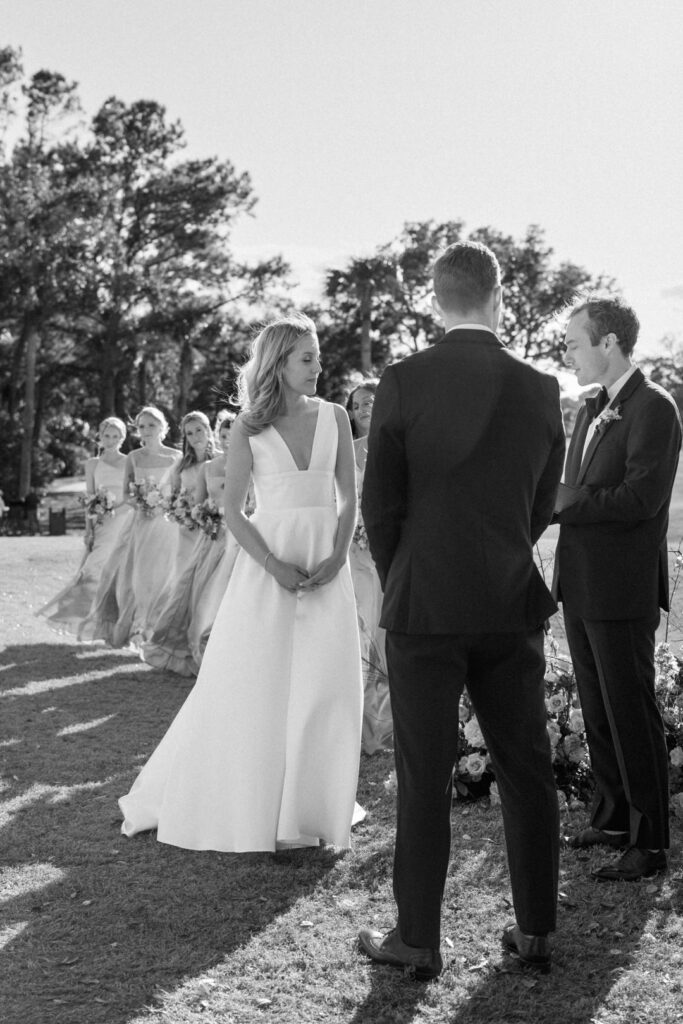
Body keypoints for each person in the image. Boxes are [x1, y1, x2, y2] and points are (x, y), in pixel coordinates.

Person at [358, 241, 565, 979]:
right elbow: (543, 499)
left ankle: (417, 939)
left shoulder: (403, 378)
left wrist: (403, 574)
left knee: (423, 773)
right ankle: (536, 930)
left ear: (435, 298)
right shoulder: (541, 386)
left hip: (423, 604)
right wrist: (504, 547)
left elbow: (379, 503)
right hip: (509, 601)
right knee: (526, 767)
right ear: (498, 297)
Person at [119, 314, 364, 852]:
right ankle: (253, 799)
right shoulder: (250, 427)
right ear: (278, 362)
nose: (318, 367)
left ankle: (314, 805)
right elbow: (234, 511)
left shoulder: (336, 417)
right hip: (268, 565)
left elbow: (348, 498)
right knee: (259, 680)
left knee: (327, 682)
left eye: (318, 356)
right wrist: (275, 566)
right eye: (307, 357)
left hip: (328, 561)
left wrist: (339, 552)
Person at [553, 296, 682, 881]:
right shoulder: (592, 408)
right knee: (598, 708)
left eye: (576, 342)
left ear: (608, 343)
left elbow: (641, 499)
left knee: (631, 711)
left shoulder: (653, 408)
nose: (568, 353)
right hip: (580, 583)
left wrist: (567, 502)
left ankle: (650, 842)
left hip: (622, 586)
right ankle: (610, 817)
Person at [84, 406, 179, 646]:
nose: (146, 431)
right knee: (137, 575)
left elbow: (180, 492)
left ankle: (157, 626)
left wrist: (164, 504)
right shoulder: (134, 457)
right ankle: (137, 625)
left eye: (151, 425)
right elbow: (127, 492)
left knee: (164, 574)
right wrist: (142, 501)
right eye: (142, 426)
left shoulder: (175, 457)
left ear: (162, 428)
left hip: (167, 525)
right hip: (141, 522)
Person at [38, 417, 131, 637]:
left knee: (118, 569)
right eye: (107, 436)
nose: (111, 440)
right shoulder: (92, 464)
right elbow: (89, 497)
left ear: (122, 438)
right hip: (100, 524)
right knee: (92, 568)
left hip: (123, 520)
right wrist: (88, 530)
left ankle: (115, 620)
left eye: (115, 436)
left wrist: (114, 511)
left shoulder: (130, 461)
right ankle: (83, 616)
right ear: (100, 436)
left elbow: (131, 496)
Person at [141, 410, 218, 675]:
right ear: (184, 437)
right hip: (186, 533)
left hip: (212, 532)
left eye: (199, 430)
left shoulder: (220, 462)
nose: (195, 436)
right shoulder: (181, 467)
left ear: (208, 430)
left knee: (205, 588)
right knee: (183, 586)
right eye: (189, 432)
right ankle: (177, 645)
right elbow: (169, 499)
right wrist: (180, 512)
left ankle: (204, 645)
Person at [346, 381, 393, 754]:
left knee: (390, 633)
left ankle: (392, 722)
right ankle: (361, 725)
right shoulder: (346, 453)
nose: (364, 406)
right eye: (358, 403)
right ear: (350, 412)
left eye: (371, 400)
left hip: (394, 555)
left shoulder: (400, 445)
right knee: (364, 631)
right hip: (358, 555)